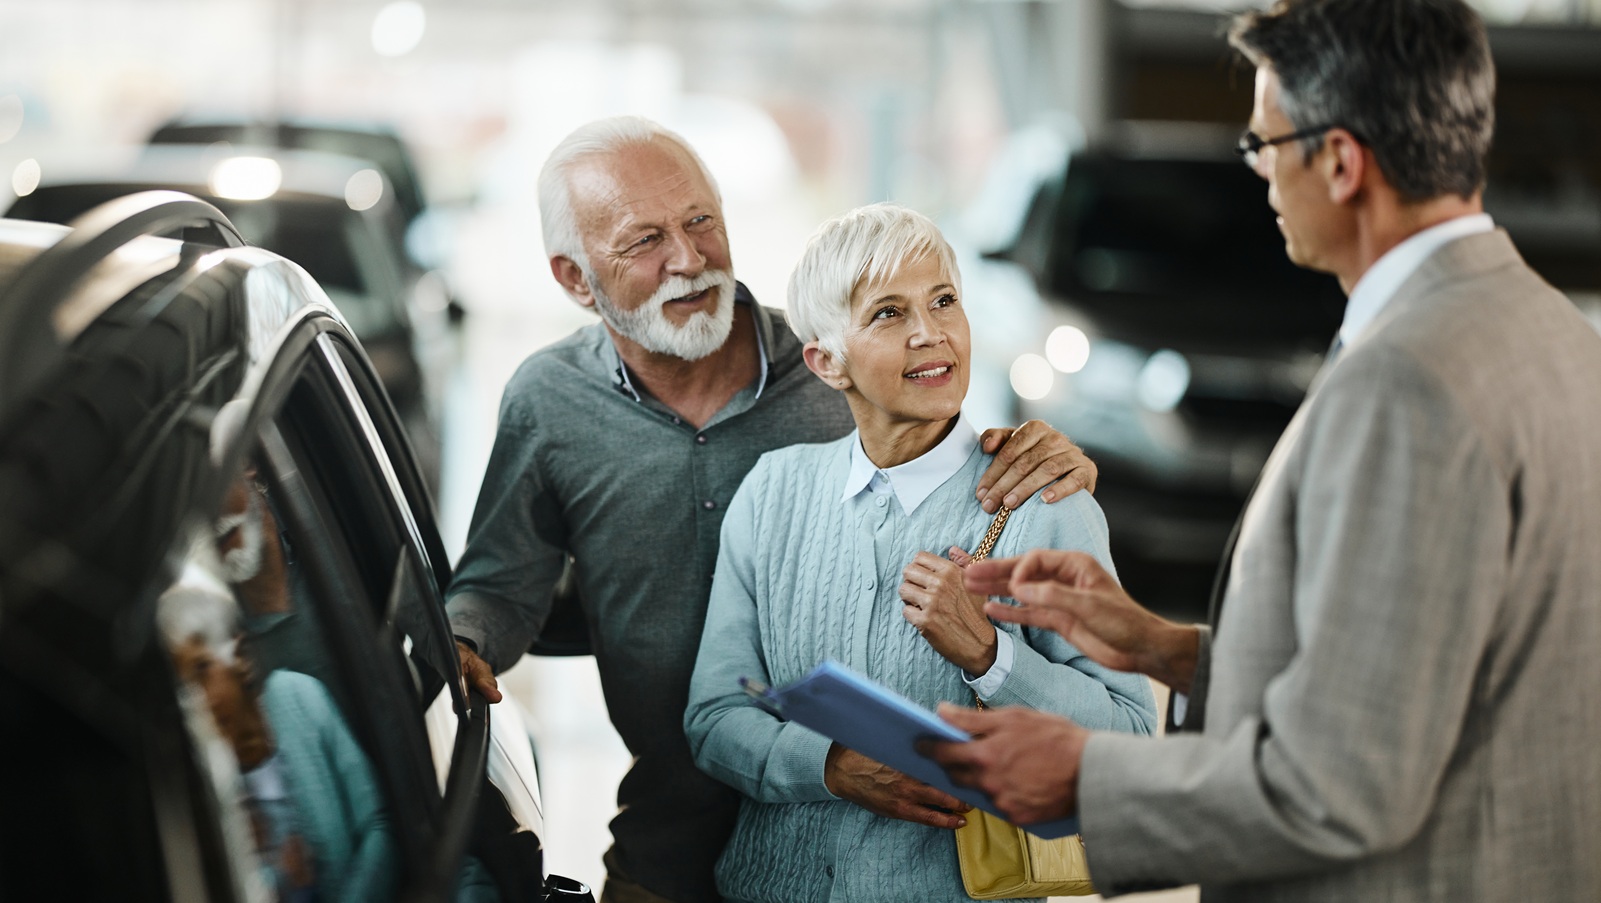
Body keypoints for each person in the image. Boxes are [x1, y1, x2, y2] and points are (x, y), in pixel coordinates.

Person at [926, 1, 1601, 900]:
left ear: (1338, 160)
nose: (1260, 176)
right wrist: (1167, 649)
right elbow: (1417, 674)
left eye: (1262, 146)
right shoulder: (1553, 333)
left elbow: (1342, 782)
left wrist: (1086, 773)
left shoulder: (1407, 380)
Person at [446, 116, 1100, 903]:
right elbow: (501, 583)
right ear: (576, 280)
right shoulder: (549, 402)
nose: (688, 259)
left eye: (700, 223)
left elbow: (964, 452)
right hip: (670, 824)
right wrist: (460, 640)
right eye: (644, 240)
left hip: (889, 840)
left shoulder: (845, 373)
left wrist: (1049, 464)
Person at [681, 203, 1155, 903]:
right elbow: (715, 715)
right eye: (888, 314)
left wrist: (993, 658)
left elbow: (1135, 738)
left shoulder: (1047, 508)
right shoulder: (771, 493)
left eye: (943, 301)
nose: (930, 334)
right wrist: (829, 765)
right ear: (825, 361)